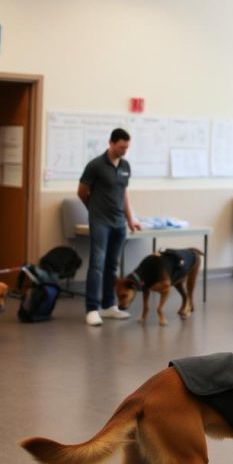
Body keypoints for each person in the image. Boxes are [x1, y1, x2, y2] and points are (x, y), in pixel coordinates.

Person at [78, 128, 142, 327]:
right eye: (122, 147)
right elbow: (82, 191)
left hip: (118, 223)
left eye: (127, 147)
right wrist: (93, 209)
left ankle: (108, 305)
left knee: (112, 265)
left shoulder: (125, 166)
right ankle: (92, 309)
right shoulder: (95, 165)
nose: (124, 151)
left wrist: (131, 218)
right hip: (100, 222)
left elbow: (123, 194)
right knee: (97, 264)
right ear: (111, 143)